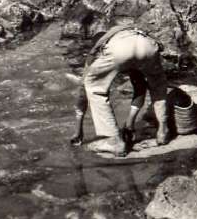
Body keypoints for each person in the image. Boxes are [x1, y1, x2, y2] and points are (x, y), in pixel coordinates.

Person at [70, 25, 171, 157]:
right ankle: (163, 131)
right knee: (158, 85)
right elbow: (140, 88)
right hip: (148, 46)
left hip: (121, 50)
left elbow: (83, 92)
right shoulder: (122, 33)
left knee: (93, 86)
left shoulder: (96, 52)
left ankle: (114, 140)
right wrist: (130, 124)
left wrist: (78, 129)